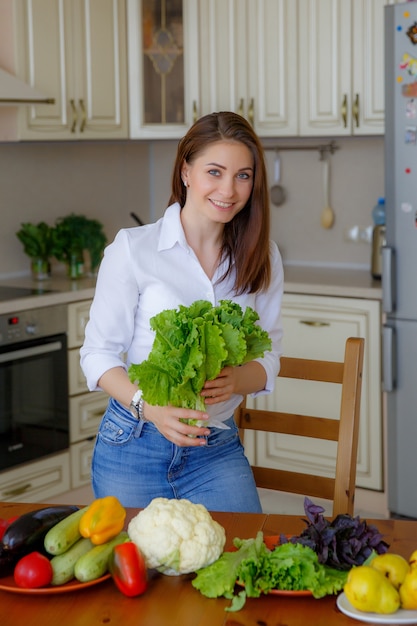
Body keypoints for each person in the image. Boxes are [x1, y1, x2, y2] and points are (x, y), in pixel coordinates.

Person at [80, 111, 284, 512]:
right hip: (133, 441)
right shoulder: (132, 249)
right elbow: (97, 356)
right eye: (215, 171)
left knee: (239, 563)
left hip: (215, 445)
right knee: (142, 572)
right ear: (186, 171)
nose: (229, 189)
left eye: (243, 175)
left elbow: (271, 356)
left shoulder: (264, 257)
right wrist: (150, 407)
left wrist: (239, 378)